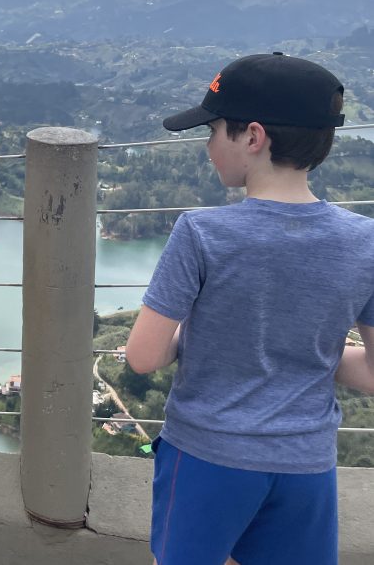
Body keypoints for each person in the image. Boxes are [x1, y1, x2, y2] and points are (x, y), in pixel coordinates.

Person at [126, 53, 374, 565]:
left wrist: (196, 341)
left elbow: (144, 357)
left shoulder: (202, 233)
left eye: (214, 129)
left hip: (206, 457)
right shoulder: (365, 242)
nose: (208, 144)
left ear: (253, 137)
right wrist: (314, 353)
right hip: (306, 465)